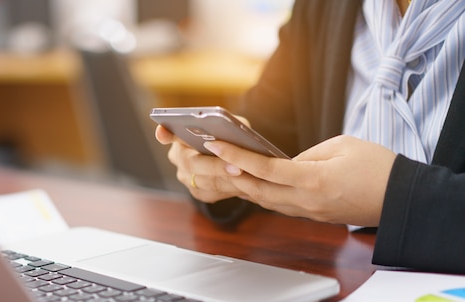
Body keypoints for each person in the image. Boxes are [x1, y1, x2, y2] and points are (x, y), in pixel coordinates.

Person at [155, 0, 465, 274]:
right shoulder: (322, 7)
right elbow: (266, 132)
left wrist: (397, 198)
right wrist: (212, 171)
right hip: (340, 286)